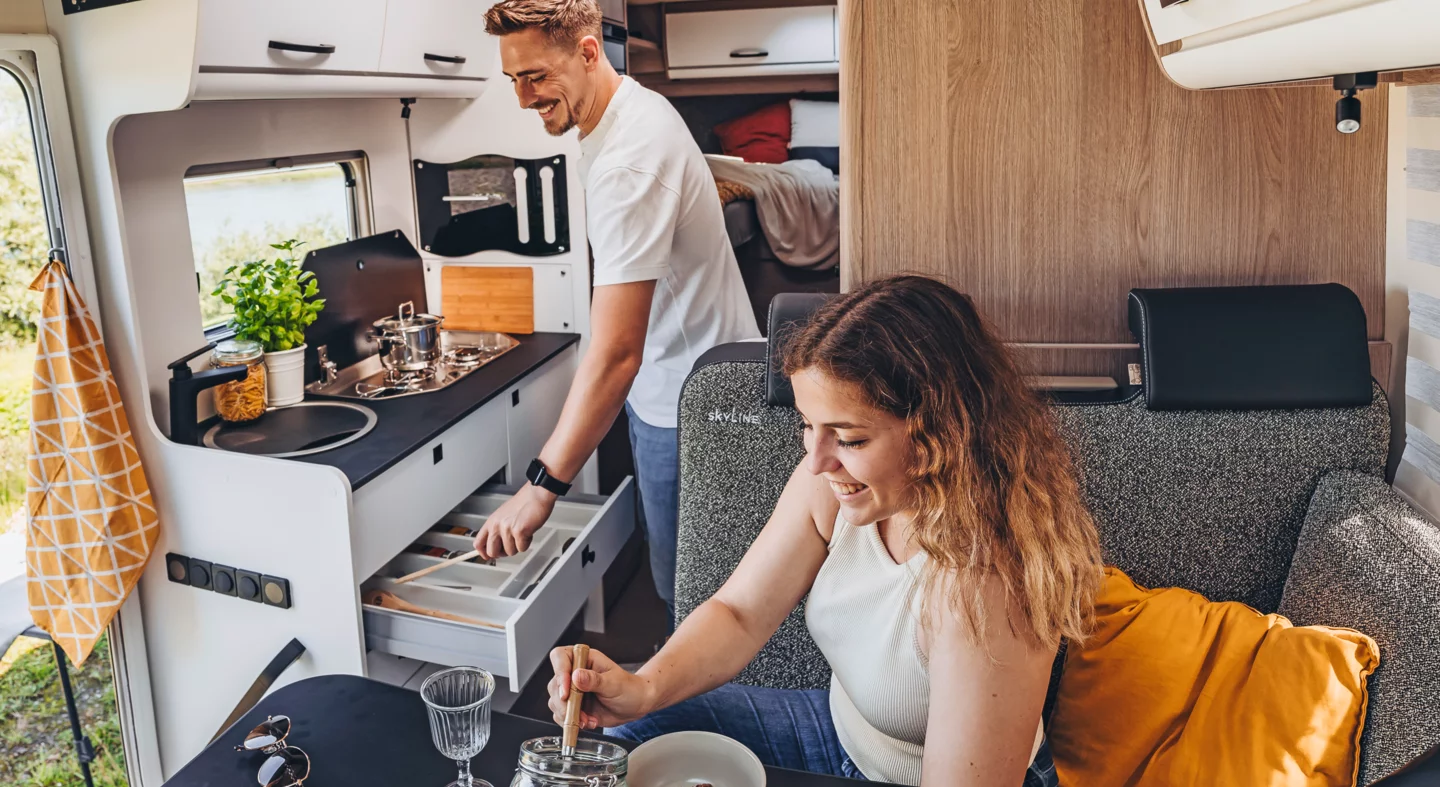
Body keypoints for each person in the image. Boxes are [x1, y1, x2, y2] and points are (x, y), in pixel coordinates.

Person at [542, 276, 1105, 786]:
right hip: (838, 732)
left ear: (942, 434)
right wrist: (642, 689)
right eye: (808, 426)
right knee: (618, 748)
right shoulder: (836, 485)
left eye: (850, 439)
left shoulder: (985, 584)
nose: (816, 462)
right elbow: (739, 614)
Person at [472, 0, 761, 626]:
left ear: (587, 50)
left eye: (536, 77)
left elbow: (617, 353)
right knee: (699, 589)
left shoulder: (630, 159)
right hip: (678, 386)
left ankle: (697, 711)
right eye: (513, 80)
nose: (523, 99)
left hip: (692, 408)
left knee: (692, 599)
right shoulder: (628, 107)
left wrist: (541, 486)